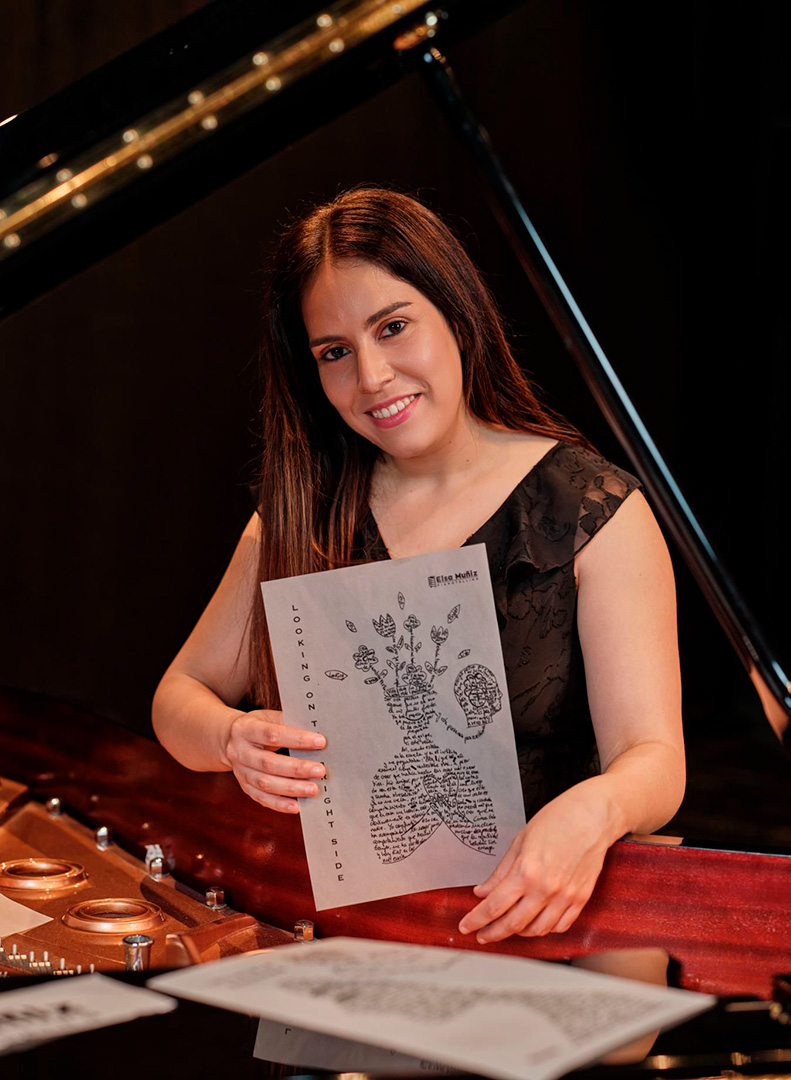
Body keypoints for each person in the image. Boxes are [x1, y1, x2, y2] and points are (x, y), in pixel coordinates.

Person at [152, 186, 684, 945]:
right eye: (334, 352)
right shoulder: (301, 512)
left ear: (459, 318)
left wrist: (596, 810)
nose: (371, 376)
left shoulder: (590, 510)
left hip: (551, 924)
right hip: (340, 933)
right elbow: (178, 697)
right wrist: (229, 737)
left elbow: (654, 758)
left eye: (393, 327)